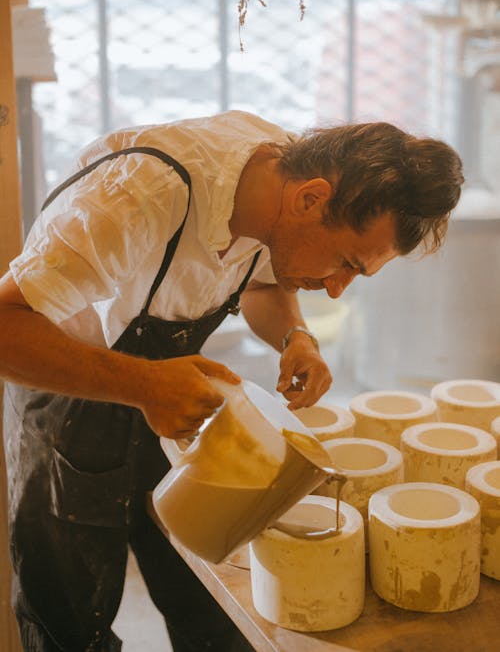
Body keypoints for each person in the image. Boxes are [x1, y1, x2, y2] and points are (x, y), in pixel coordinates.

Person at [0, 109, 464, 651]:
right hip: (69, 408)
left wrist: (296, 338)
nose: (337, 290)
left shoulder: (282, 182)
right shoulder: (137, 195)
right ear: (311, 199)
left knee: (212, 596)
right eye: (346, 263)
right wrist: (146, 386)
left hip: (167, 399)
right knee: (70, 622)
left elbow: (265, 283)